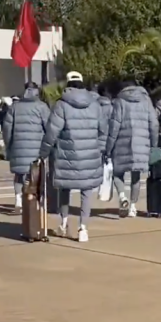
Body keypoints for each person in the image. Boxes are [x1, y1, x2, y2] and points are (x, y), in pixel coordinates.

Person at [39, 70, 107, 241]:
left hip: (66, 155)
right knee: (86, 191)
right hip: (90, 155)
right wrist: (99, 149)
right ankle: (83, 228)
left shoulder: (61, 105)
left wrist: (43, 153)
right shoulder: (95, 105)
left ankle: (63, 223)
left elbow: (52, 133)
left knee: (65, 189)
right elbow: (103, 131)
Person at [105, 81, 158, 217]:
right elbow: (154, 124)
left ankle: (122, 196)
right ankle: (133, 207)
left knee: (117, 173)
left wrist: (109, 148)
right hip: (142, 143)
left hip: (121, 142)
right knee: (136, 176)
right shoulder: (146, 101)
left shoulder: (120, 101)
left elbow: (114, 126)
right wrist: (154, 145)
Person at [2, 82, 50, 214]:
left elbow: (7, 129)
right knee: (36, 175)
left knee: (19, 174)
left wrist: (8, 145)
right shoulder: (42, 107)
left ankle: (18, 201)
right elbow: (49, 127)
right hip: (37, 148)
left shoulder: (14, 107)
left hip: (17, 146)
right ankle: (35, 202)